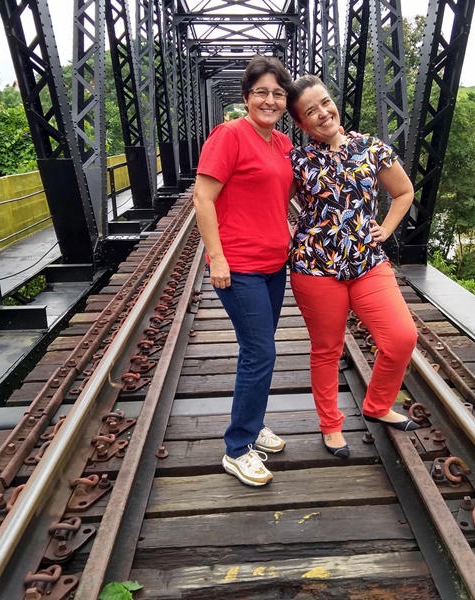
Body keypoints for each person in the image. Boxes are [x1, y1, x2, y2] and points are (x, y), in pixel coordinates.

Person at [286, 74, 419, 459]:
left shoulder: (370, 148)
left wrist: (386, 230)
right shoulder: (298, 160)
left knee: (400, 338)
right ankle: (330, 425)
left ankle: (377, 406)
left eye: (325, 102)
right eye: (311, 111)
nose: (323, 113)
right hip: (314, 268)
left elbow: (404, 191)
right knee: (326, 350)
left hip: (367, 263)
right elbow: (273, 206)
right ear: (300, 123)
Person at [192, 56, 294, 487]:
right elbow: (202, 198)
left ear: (285, 101)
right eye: (261, 92)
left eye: (278, 93)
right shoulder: (229, 136)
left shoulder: (283, 144)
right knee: (260, 352)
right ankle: (237, 448)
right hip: (240, 267)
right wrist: (216, 258)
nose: (270, 100)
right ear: (246, 97)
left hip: (274, 264)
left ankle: (253, 424)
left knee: (259, 349)